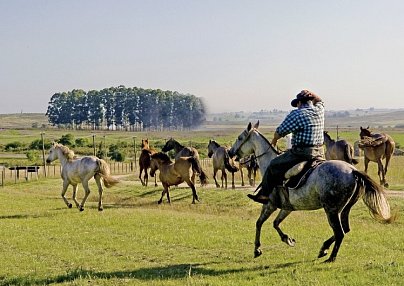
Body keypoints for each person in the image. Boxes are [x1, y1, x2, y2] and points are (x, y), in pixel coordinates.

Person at [247, 89, 325, 204]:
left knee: (273, 165)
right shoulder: (320, 110)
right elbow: (320, 100)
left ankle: (264, 195)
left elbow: (279, 132)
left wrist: (274, 140)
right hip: (319, 152)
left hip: (302, 153)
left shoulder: (297, 114)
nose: (296, 107)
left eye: (297, 104)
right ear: (311, 100)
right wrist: (312, 94)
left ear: (299, 103)